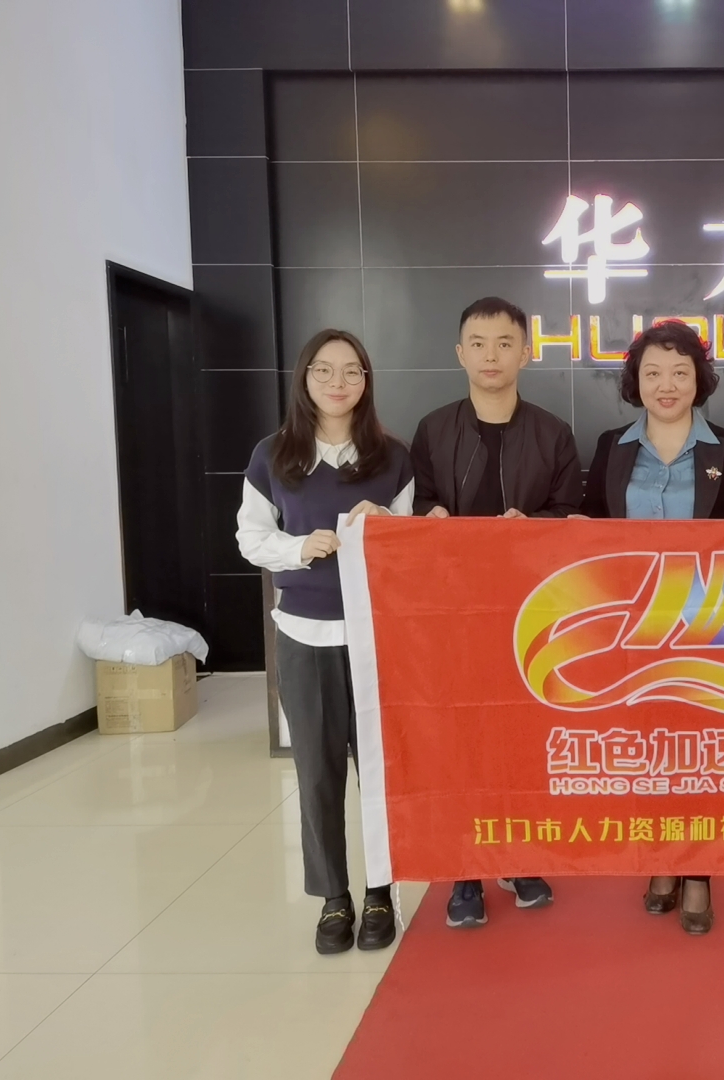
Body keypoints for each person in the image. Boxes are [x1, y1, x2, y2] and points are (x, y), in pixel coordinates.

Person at [580, 319, 724, 936]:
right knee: (649, 747)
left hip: (704, 625)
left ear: (699, 380)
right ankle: (661, 856)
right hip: (631, 626)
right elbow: (590, 526)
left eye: (680, 372)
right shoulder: (611, 445)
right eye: (653, 372)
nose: (667, 385)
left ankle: (700, 868)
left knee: (700, 750)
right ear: (635, 381)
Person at [236, 329, 413, 955]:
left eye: (352, 371)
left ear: (366, 381)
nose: (338, 382)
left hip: (375, 638)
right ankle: (334, 896)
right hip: (303, 635)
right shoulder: (273, 454)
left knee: (380, 772)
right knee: (316, 773)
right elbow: (250, 537)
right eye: (324, 370)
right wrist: (298, 547)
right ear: (304, 379)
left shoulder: (392, 456)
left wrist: (386, 523)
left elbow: (411, 546)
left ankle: (380, 891)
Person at [410, 295, 582, 929]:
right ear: (460, 353)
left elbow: (570, 516)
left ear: (525, 354)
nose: (491, 355)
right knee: (462, 742)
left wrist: (531, 525)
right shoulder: (433, 429)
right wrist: (429, 516)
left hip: (528, 615)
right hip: (454, 614)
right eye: (478, 343)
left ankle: (518, 855)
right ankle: (465, 871)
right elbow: (415, 505)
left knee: (521, 739)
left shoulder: (553, 433)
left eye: (505, 343)